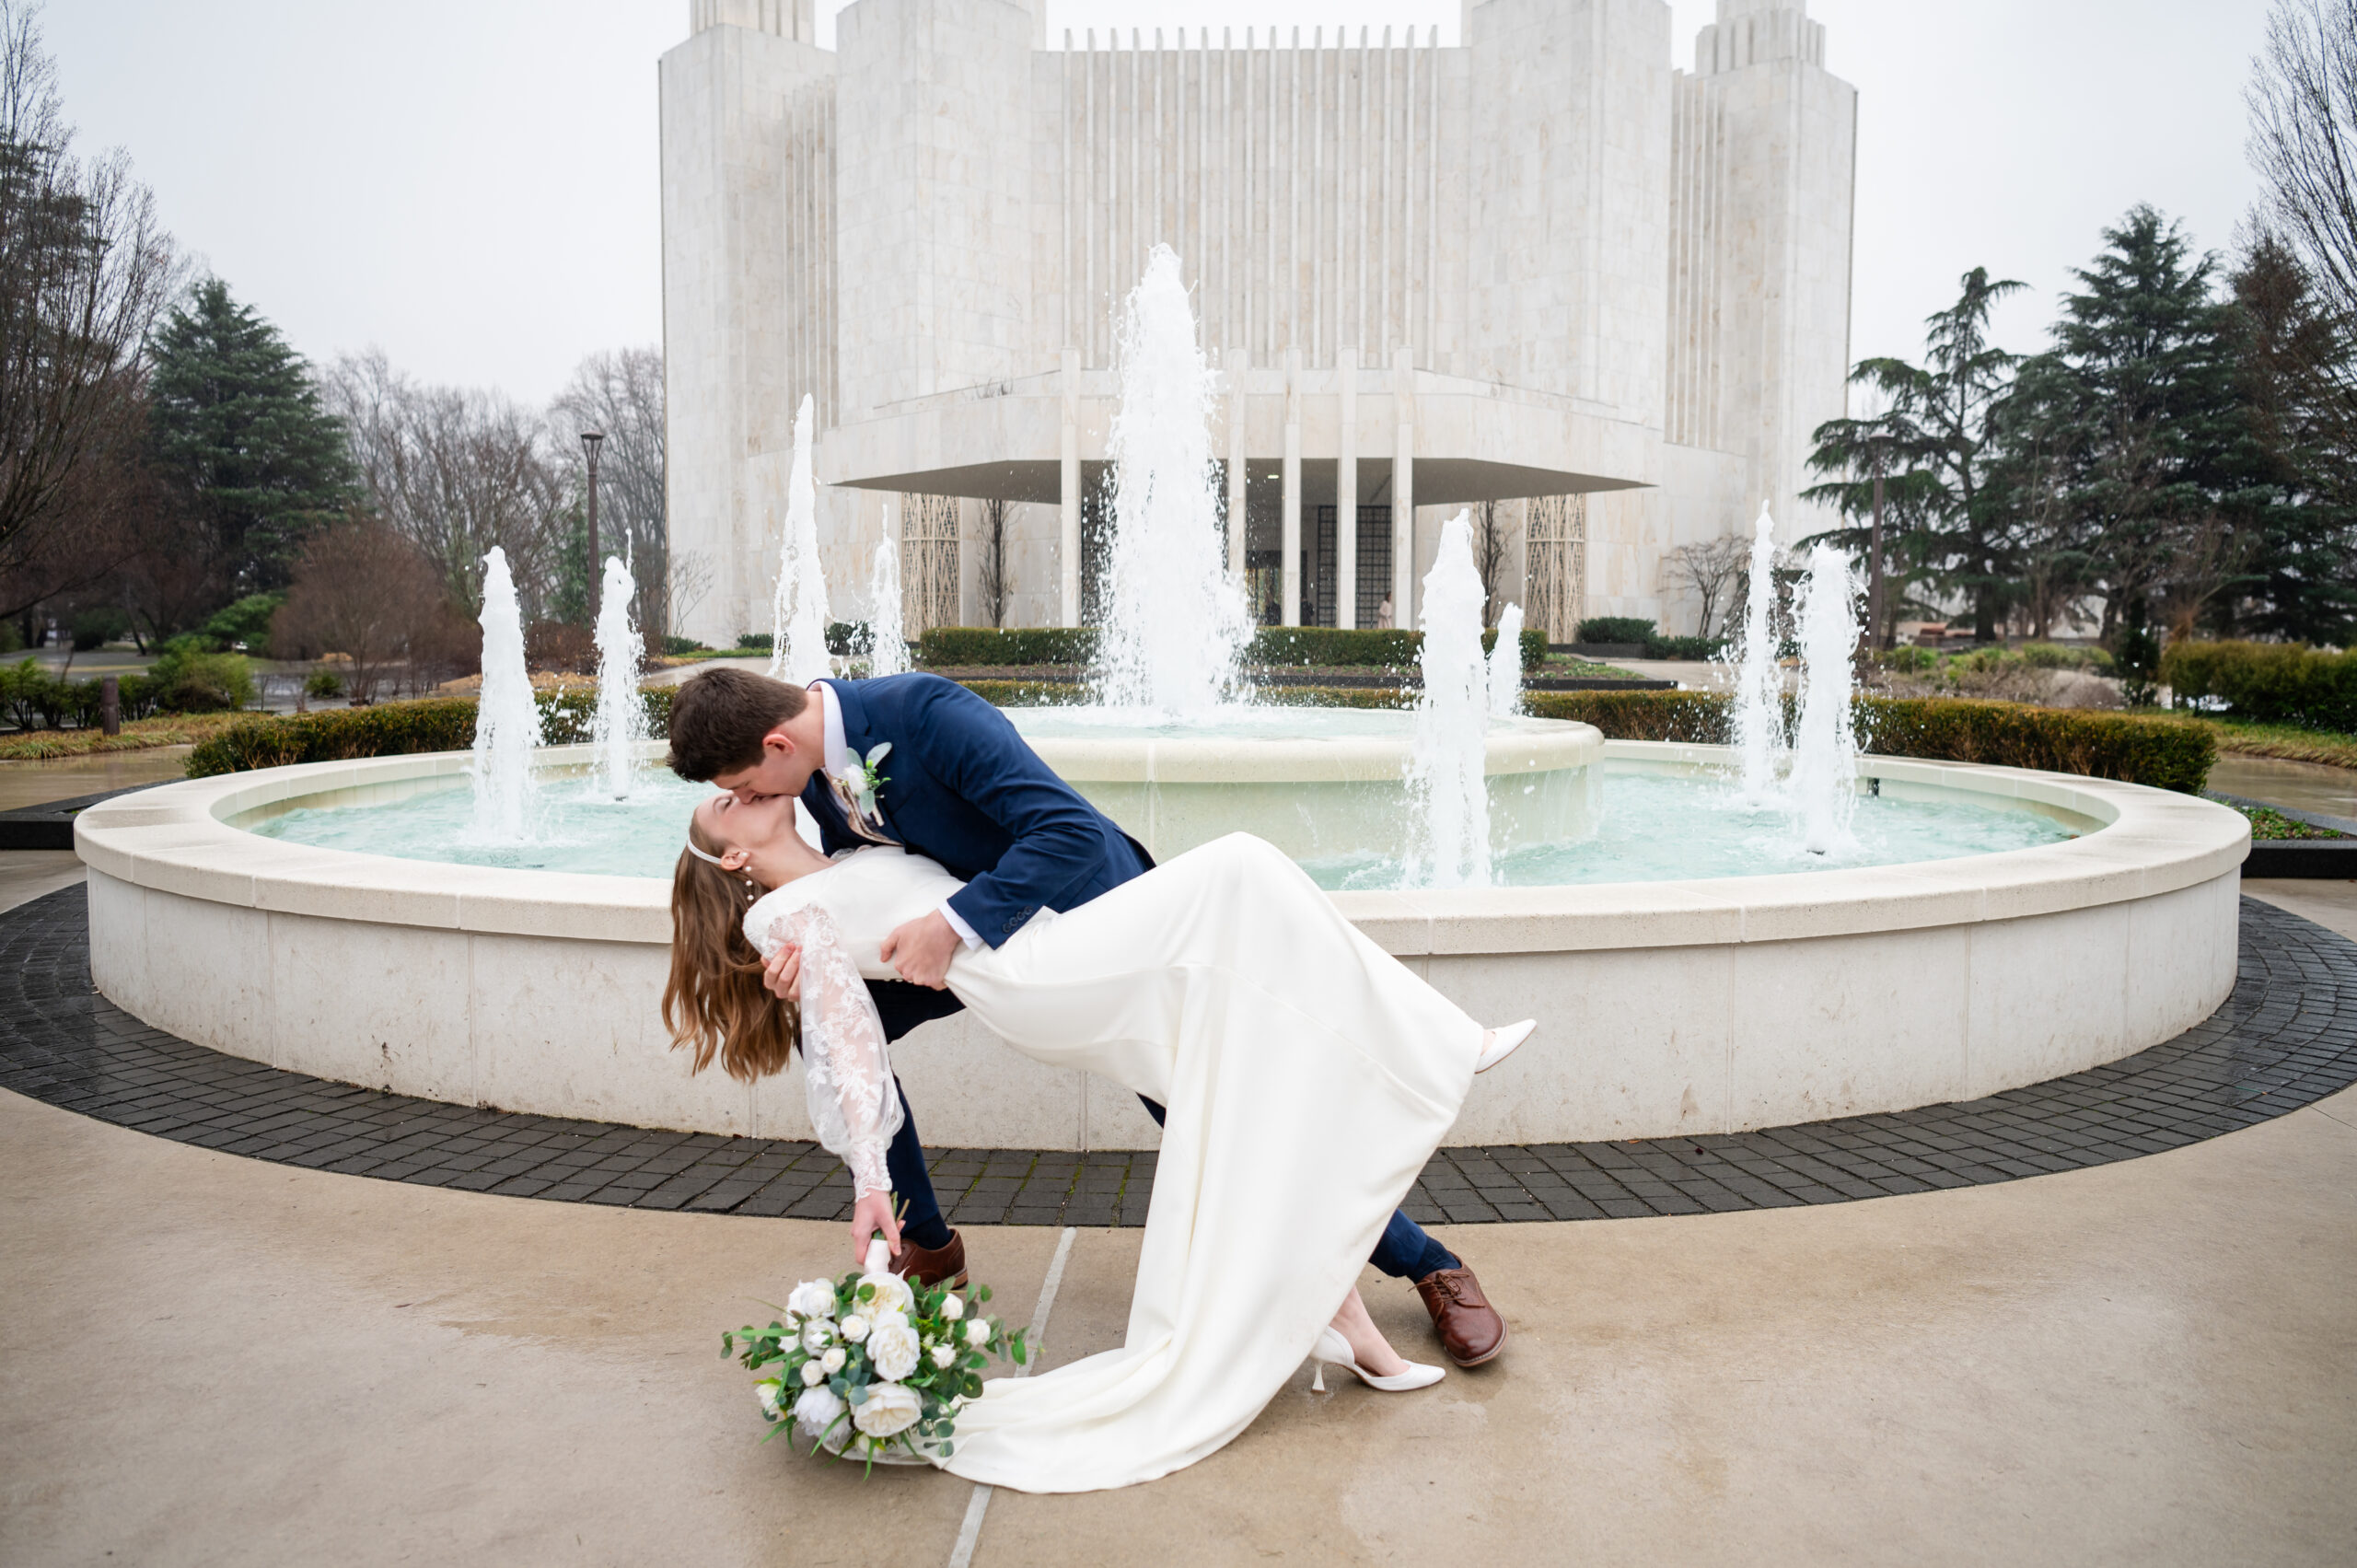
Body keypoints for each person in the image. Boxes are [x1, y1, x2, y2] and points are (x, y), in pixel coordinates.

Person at [663, 754, 1535, 1492]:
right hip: (1037, 971)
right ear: (735, 855)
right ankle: (1449, 1043)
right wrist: (871, 1182)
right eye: (724, 801)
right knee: (1241, 868)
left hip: (1047, 938)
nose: (738, 786)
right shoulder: (783, 919)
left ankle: (1341, 1313)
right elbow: (852, 1054)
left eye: (733, 778)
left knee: (1232, 1088)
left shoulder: (832, 823)